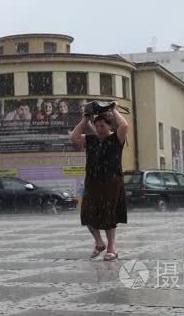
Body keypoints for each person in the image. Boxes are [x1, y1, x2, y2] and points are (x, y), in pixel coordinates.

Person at [70, 102, 129, 261]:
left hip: (112, 182)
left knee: (109, 216)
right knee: (87, 215)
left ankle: (112, 248)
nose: (99, 128)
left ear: (109, 127)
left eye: (102, 125)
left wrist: (114, 110)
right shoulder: (92, 139)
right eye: (97, 125)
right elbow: (74, 137)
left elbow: (124, 126)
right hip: (92, 181)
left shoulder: (116, 138)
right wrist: (85, 120)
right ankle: (99, 243)